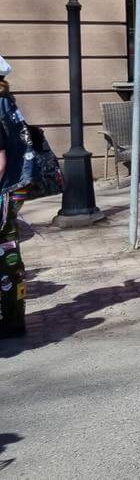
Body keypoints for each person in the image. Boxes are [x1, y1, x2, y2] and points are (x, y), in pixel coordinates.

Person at [0, 56, 32, 338]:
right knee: (10, 256)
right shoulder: (6, 100)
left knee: (5, 258)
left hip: (2, 190)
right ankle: (14, 320)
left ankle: (8, 320)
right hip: (13, 187)